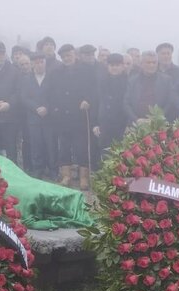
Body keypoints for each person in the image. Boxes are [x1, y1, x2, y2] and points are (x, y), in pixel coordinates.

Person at [46, 43, 95, 189]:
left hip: (80, 116)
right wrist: (54, 109)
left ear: (75, 55)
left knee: (81, 148)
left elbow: (94, 90)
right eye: (64, 56)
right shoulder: (56, 72)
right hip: (62, 116)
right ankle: (66, 176)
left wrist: (88, 100)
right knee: (64, 148)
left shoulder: (87, 71)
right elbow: (51, 92)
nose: (67, 58)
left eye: (69, 55)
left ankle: (84, 178)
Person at [20, 52, 55, 179]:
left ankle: (53, 169)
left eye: (41, 62)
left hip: (49, 116)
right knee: (36, 144)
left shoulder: (52, 77)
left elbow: (55, 95)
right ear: (32, 64)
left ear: (45, 63)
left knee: (50, 144)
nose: (39, 65)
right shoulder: (26, 79)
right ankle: (38, 169)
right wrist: (36, 108)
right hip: (33, 117)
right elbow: (24, 97)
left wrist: (47, 108)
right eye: (36, 62)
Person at [92, 53, 128, 167]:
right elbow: (96, 103)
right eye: (112, 65)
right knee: (104, 155)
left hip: (122, 125)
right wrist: (95, 124)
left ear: (123, 66)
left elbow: (131, 106)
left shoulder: (129, 82)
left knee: (121, 157)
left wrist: (129, 125)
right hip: (104, 124)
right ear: (107, 66)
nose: (114, 68)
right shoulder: (101, 82)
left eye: (117, 65)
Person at [124, 50, 172, 125]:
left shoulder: (166, 81)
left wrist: (158, 118)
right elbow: (126, 103)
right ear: (141, 64)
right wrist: (136, 119)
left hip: (158, 125)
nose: (151, 65)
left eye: (154, 62)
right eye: (148, 62)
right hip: (135, 124)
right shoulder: (132, 81)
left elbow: (169, 102)